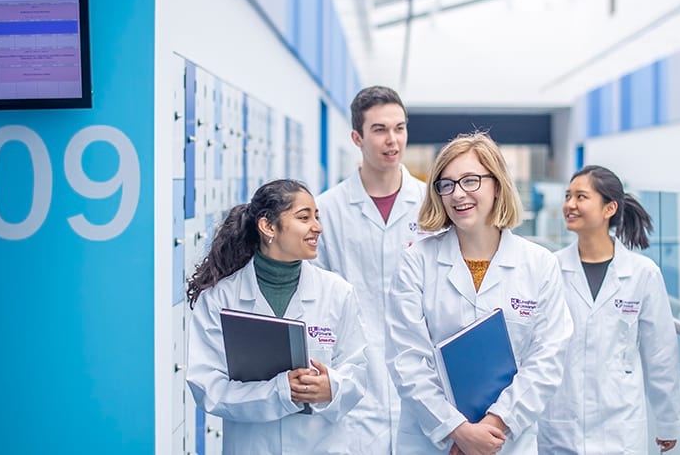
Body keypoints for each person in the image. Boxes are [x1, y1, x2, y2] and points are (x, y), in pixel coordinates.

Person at [385, 131, 573, 455]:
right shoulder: (416, 261)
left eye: (471, 181)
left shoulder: (539, 264)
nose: (458, 194)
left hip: (506, 441)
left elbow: (547, 358)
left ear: (497, 184)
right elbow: (407, 360)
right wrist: (457, 431)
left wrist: (495, 424)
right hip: (433, 442)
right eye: (447, 185)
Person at [185, 179, 368, 455]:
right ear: (268, 226)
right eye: (304, 217)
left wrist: (330, 387)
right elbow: (207, 387)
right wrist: (279, 392)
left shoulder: (337, 292)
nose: (317, 227)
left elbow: (357, 371)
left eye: (316, 217)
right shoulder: (221, 299)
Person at [538, 165, 680, 454]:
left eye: (581, 197)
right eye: (568, 196)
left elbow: (660, 354)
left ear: (609, 208)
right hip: (561, 422)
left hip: (621, 425)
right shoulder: (550, 268)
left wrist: (668, 420)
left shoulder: (642, 273)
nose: (569, 205)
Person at [314, 85, 426, 453]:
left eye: (399, 128)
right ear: (357, 138)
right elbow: (316, 299)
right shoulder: (326, 210)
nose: (392, 140)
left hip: (423, 379)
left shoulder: (432, 205)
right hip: (354, 380)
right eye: (379, 130)